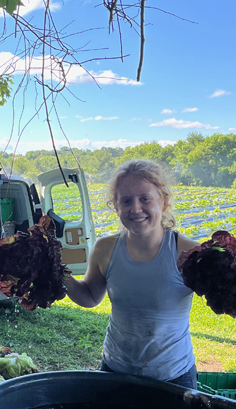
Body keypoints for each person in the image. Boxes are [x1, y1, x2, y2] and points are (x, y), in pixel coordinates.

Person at [63, 159, 201, 388]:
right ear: (115, 206)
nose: (135, 209)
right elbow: (89, 296)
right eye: (126, 201)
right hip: (114, 371)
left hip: (174, 377)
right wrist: (59, 275)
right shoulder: (105, 249)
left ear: (164, 202)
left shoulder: (188, 253)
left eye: (145, 199)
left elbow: (225, 296)